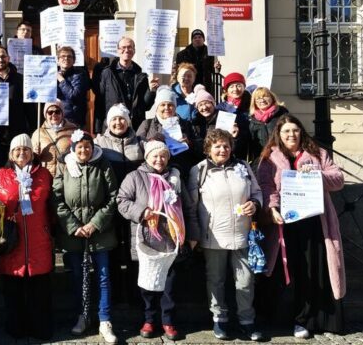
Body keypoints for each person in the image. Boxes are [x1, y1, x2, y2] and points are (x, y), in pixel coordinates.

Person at [256, 114, 345, 339]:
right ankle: (279, 319)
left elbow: (338, 179)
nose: (291, 135)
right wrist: (272, 208)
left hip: (315, 222)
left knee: (312, 271)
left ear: (301, 132)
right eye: (286, 131)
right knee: (285, 272)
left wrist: (318, 175)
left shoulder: (317, 154)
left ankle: (309, 319)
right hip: (283, 224)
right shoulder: (270, 158)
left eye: (295, 130)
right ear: (279, 134)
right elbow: (266, 186)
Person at [116, 140, 199, 341]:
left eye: (163, 156)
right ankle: (149, 319)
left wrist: (193, 235)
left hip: (171, 239)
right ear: (147, 157)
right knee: (147, 284)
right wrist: (141, 211)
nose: (159, 160)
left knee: (169, 285)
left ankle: (168, 321)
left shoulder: (175, 177)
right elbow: (121, 201)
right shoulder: (135, 177)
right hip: (146, 240)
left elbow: (187, 207)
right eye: (155, 155)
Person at [187, 129, 263, 341]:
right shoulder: (199, 171)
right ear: (208, 149)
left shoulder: (243, 166)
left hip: (242, 232)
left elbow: (257, 192)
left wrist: (254, 204)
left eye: (226, 145)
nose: (223, 149)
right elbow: (191, 206)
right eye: (218, 146)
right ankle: (219, 319)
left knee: (245, 281)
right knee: (216, 280)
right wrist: (194, 233)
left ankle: (247, 320)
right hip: (214, 235)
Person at [0, 134, 54, 340]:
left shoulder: (43, 175)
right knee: (13, 291)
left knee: (39, 291)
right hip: (11, 240)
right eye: (17, 150)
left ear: (32, 153)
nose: (22, 153)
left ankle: (40, 327)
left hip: (39, 238)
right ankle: (16, 328)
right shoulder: (0, 175)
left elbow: (52, 205)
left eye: (26, 149)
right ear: (11, 155)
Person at [52, 130, 119, 343]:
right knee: (78, 277)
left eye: (87, 147)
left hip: (100, 231)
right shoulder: (64, 167)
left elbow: (113, 197)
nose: (84, 151)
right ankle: (83, 315)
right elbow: (57, 199)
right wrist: (73, 226)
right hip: (74, 233)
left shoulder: (103, 165)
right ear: (73, 148)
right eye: (79, 147)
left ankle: (104, 319)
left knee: (103, 276)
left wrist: (95, 223)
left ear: (93, 148)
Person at [94, 103, 144, 303]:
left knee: (134, 249)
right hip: (111, 203)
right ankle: (113, 294)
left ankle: (135, 292)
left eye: (122, 118)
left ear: (128, 121)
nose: (118, 122)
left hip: (135, 204)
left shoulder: (140, 142)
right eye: (114, 119)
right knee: (112, 249)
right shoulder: (100, 143)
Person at [0, 46, 37, 169]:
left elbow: (30, 108)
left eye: (3, 56)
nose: (0, 59)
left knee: (20, 169)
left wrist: (34, 131)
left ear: (8, 58)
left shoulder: (20, 79)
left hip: (18, 134)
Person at [95, 37, 159, 131]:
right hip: (114, 125)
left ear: (134, 51)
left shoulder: (141, 75)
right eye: (123, 47)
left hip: (136, 127)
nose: (127, 50)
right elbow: (99, 102)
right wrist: (98, 129)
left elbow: (146, 106)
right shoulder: (107, 73)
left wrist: (152, 91)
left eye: (130, 47)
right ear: (118, 51)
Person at [137, 86, 199, 173]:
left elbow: (198, 150)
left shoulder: (186, 124)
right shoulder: (147, 124)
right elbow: (137, 147)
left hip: (180, 171)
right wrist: (151, 142)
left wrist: (189, 143)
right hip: (154, 172)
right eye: (162, 105)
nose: (166, 108)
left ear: (175, 107)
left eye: (170, 105)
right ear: (157, 107)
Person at [191, 85, 249, 161]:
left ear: (213, 104)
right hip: (203, 163)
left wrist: (235, 137)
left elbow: (236, 148)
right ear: (197, 108)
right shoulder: (195, 123)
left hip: (223, 161)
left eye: (207, 103)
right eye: (200, 105)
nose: (204, 107)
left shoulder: (225, 118)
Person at [31, 100, 79, 177]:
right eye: (50, 112)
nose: (54, 115)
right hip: (46, 177)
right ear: (45, 115)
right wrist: (35, 154)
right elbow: (31, 160)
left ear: (62, 113)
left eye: (57, 112)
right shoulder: (38, 133)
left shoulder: (74, 130)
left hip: (67, 175)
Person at [248, 87, 289, 163]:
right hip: (260, 159)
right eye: (258, 98)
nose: (262, 100)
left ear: (272, 98)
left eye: (265, 96)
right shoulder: (252, 120)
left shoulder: (283, 115)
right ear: (254, 102)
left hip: (281, 157)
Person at [173, 28, 220, 93]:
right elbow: (178, 72)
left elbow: (213, 70)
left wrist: (217, 68)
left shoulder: (211, 53)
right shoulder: (182, 54)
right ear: (192, 40)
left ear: (203, 39)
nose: (197, 39)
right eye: (195, 37)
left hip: (205, 86)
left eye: (200, 37)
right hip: (188, 86)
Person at [56, 45, 89, 127]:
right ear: (58, 60)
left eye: (69, 56)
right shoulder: (53, 74)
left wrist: (61, 80)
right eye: (63, 56)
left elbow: (74, 95)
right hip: (56, 117)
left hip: (73, 120)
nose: (66, 58)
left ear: (74, 60)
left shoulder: (80, 74)